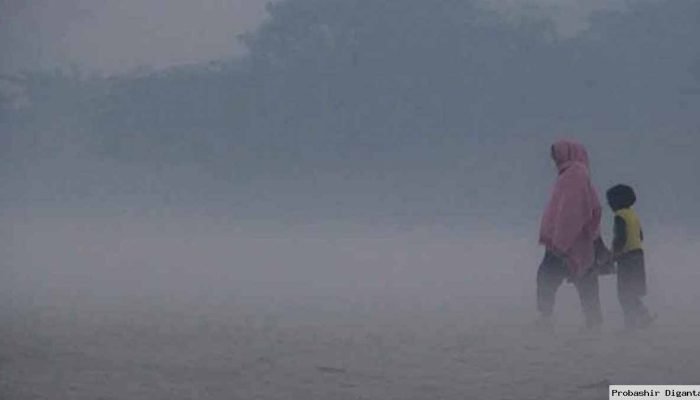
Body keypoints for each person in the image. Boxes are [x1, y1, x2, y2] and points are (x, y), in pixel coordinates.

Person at [537, 139, 610, 330]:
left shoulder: (575, 174)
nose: (555, 159)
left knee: (548, 277)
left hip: (570, 241)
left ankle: (547, 319)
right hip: (576, 239)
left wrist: (561, 241)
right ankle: (593, 323)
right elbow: (592, 207)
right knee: (584, 280)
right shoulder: (572, 173)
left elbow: (571, 211)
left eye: (557, 154)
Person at [606, 184, 654, 330]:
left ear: (616, 201)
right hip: (638, 256)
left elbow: (620, 238)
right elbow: (640, 236)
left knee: (624, 294)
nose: (609, 205)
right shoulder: (633, 215)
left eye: (610, 201)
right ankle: (643, 316)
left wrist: (614, 255)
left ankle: (630, 325)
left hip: (626, 258)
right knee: (632, 292)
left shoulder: (620, 216)